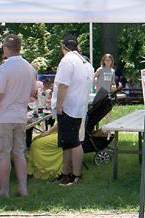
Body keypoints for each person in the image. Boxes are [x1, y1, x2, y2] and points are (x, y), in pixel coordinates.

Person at [0, 33, 37, 198]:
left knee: (3, 155)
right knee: (19, 153)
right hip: (20, 116)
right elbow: (32, 92)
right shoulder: (30, 68)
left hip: (3, 117)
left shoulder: (3, 69)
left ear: (6, 48)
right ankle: (23, 189)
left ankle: (4, 190)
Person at [52, 34, 94, 187]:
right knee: (67, 143)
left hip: (68, 107)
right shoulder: (86, 63)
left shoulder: (67, 60)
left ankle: (76, 175)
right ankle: (66, 174)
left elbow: (63, 85)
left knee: (74, 143)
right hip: (79, 107)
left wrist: (59, 105)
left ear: (63, 47)